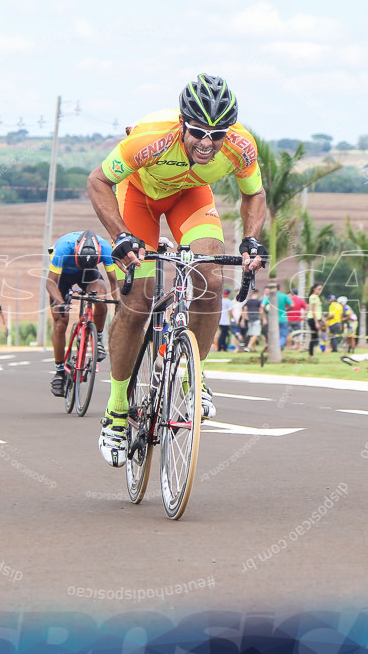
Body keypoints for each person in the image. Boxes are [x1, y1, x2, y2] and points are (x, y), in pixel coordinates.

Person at [87, 73, 267, 466]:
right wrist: (120, 235)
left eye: (216, 134)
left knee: (211, 279)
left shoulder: (240, 147)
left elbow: (254, 194)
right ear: (184, 123)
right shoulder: (151, 137)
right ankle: (117, 410)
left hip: (190, 197)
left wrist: (251, 239)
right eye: (199, 131)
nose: (207, 142)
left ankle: (193, 376)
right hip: (139, 197)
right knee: (137, 301)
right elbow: (97, 181)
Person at [46, 229, 119, 397]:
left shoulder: (106, 248)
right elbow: (50, 283)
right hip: (62, 276)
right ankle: (59, 371)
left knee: (101, 298)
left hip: (88, 274)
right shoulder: (64, 248)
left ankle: (97, 339)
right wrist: (61, 302)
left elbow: (114, 281)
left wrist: (118, 305)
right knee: (60, 322)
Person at [262, 282, 292, 350]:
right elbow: (292, 305)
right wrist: (286, 310)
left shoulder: (270, 296)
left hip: (272, 319)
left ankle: (273, 347)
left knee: (272, 335)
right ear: (279, 288)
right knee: (283, 336)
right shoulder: (284, 296)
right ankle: (278, 346)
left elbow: (262, 305)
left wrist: (267, 311)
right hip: (282, 319)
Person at [305, 283, 324, 360]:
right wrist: (316, 322)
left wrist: (322, 319)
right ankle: (311, 354)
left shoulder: (317, 297)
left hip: (316, 318)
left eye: (321, 289)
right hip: (312, 319)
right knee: (314, 337)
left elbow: (318, 310)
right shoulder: (313, 297)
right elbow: (313, 310)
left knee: (315, 337)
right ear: (314, 289)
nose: (320, 291)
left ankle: (312, 353)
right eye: (318, 289)